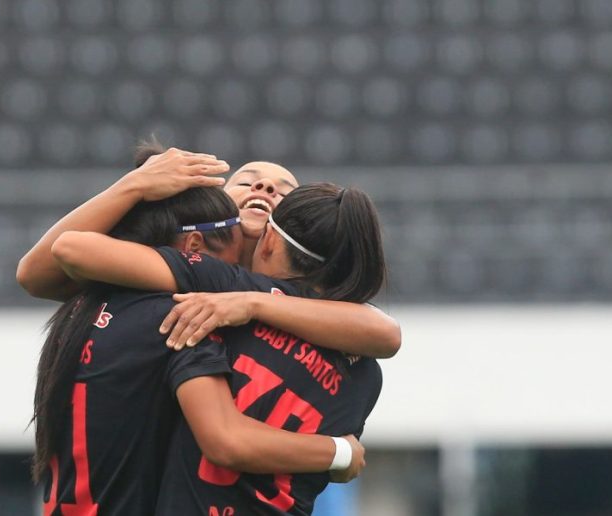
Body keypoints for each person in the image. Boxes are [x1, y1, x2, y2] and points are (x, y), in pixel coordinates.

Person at [50, 182, 388, 514]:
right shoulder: (367, 373)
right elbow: (388, 335)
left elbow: (67, 253)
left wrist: (136, 185)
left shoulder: (219, 296)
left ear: (268, 240)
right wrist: (341, 452)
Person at [17, 142, 400, 358]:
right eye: (246, 181)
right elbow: (36, 274)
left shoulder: (306, 299)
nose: (264, 188)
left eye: (281, 189)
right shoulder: (172, 262)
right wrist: (132, 186)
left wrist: (250, 303)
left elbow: (385, 334)